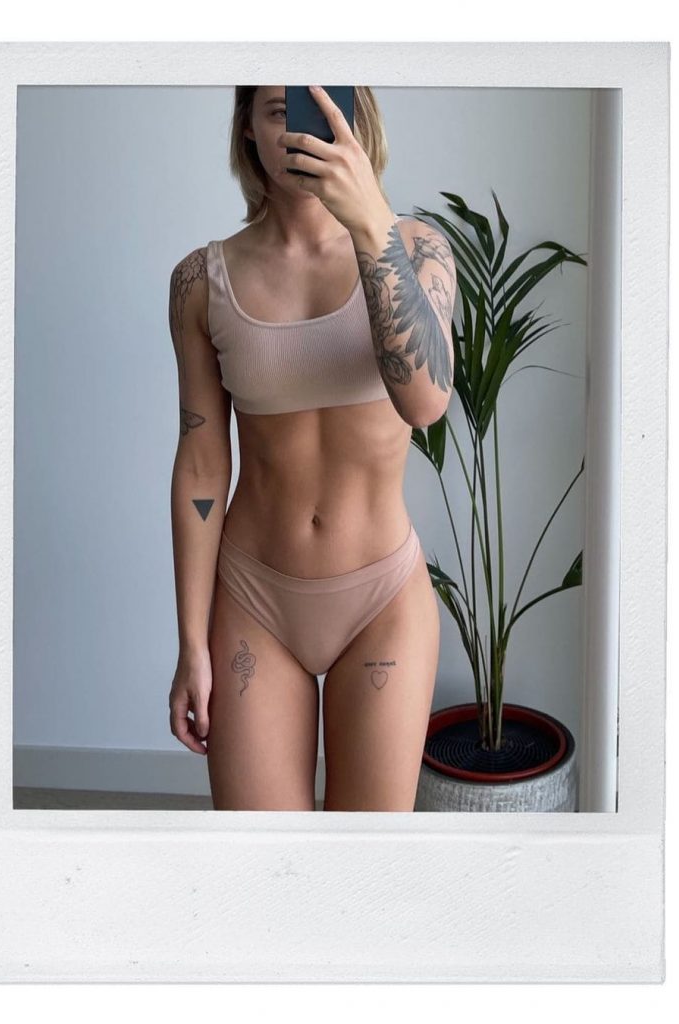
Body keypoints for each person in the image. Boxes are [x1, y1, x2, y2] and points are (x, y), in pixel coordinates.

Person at [167, 85, 456, 811]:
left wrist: (368, 221)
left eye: (328, 108)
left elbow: (425, 403)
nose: (304, 129)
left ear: (358, 120)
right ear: (247, 130)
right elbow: (201, 463)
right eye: (280, 109)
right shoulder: (201, 281)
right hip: (254, 598)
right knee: (264, 862)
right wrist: (192, 642)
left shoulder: (416, 249)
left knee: (366, 862)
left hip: (382, 598)